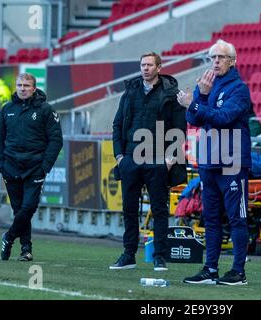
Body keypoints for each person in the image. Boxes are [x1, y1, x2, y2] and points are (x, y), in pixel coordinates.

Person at [177, 39, 252, 285]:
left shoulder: (239, 89)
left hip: (232, 163)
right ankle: (210, 269)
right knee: (210, 219)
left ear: (232, 61)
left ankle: (238, 271)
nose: (215, 62)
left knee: (236, 218)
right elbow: (192, 117)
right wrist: (200, 98)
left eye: (220, 57)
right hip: (208, 162)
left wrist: (198, 101)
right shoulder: (206, 85)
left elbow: (224, 117)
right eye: (212, 58)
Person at [110, 52, 186, 271]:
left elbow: (179, 128)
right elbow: (117, 125)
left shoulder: (171, 94)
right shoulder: (130, 92)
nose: (145, 68)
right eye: (142, 65)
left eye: (150, 65)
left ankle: (160, 256)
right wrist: (120, 156)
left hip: (158, 160)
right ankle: (128, 255)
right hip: (131, 159)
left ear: (159, 67)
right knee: (129, 209)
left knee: (159, 210)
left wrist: (170, 159)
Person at [0, 73, 63, 261]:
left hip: (35, 168)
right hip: (11, 167)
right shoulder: (7, 109)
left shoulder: (46, 110)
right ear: (15, 87)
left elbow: (56, 141)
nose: (22, 88)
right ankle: (26, 249)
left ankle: (8, 237)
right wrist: (1, 166)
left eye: (26, 85)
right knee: (19, 211)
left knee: (28, 207)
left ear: (34, 88)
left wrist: (44, 167)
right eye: (19, 85)